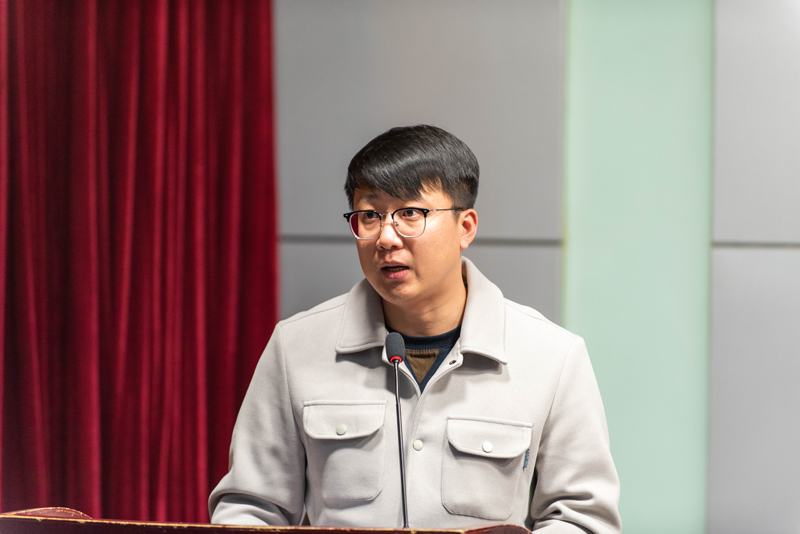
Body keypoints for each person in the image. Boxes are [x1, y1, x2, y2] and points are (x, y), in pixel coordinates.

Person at [208, 125, 621, 533]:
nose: (386, 238)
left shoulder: (552, 356)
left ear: (465, 227)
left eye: (410, 214)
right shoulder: (296, 346)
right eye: (369, 216)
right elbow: (250, 510)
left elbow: (583, 519)